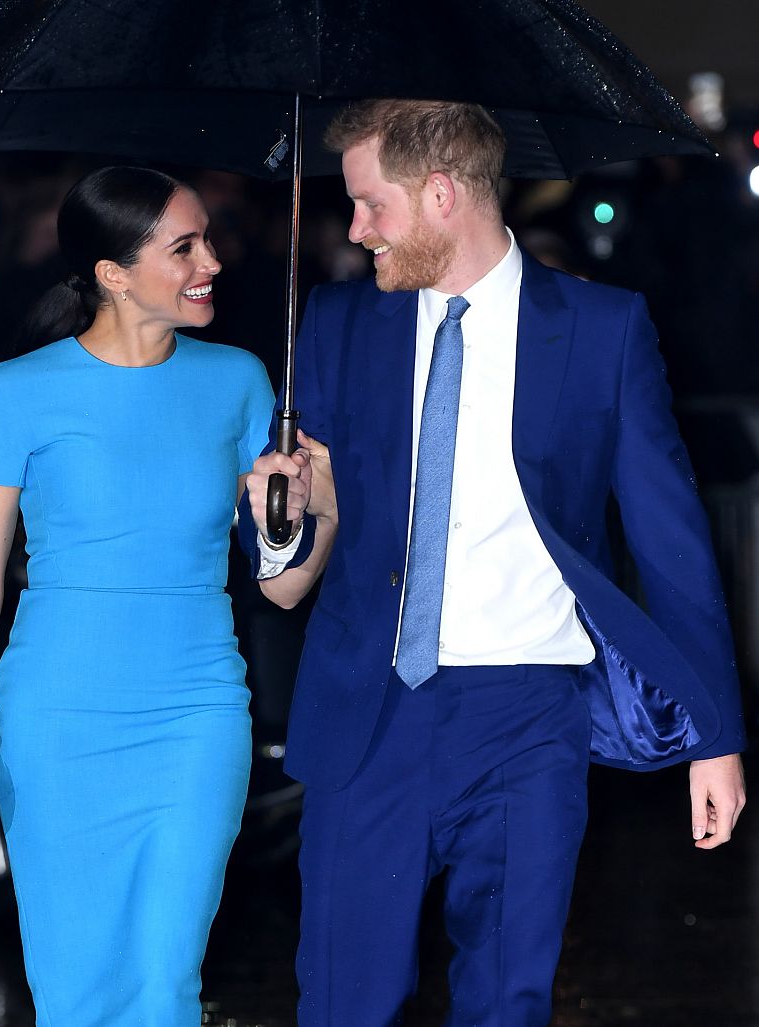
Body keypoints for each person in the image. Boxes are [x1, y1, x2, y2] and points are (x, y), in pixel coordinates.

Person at [239, 101, 747, 1026]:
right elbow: (291, 547)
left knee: (507, 1003)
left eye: (369, 205)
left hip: (530, 721)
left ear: (440, 195)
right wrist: (279, 517)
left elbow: (672, 541)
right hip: (369, 712)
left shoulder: (603, 329)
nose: (354, 230)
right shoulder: (340, 323)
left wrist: (715, 734)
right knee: (346, 1004)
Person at [0, 166, 274, 1026]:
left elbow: (285, 585)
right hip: (60, 720)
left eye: (207, 238)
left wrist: (312, 511)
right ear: (113, 273)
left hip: (197, 712)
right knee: (76, 994)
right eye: (184, 247)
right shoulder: (15, 391)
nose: (211, 260)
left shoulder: (241, 381)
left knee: (164, 980)